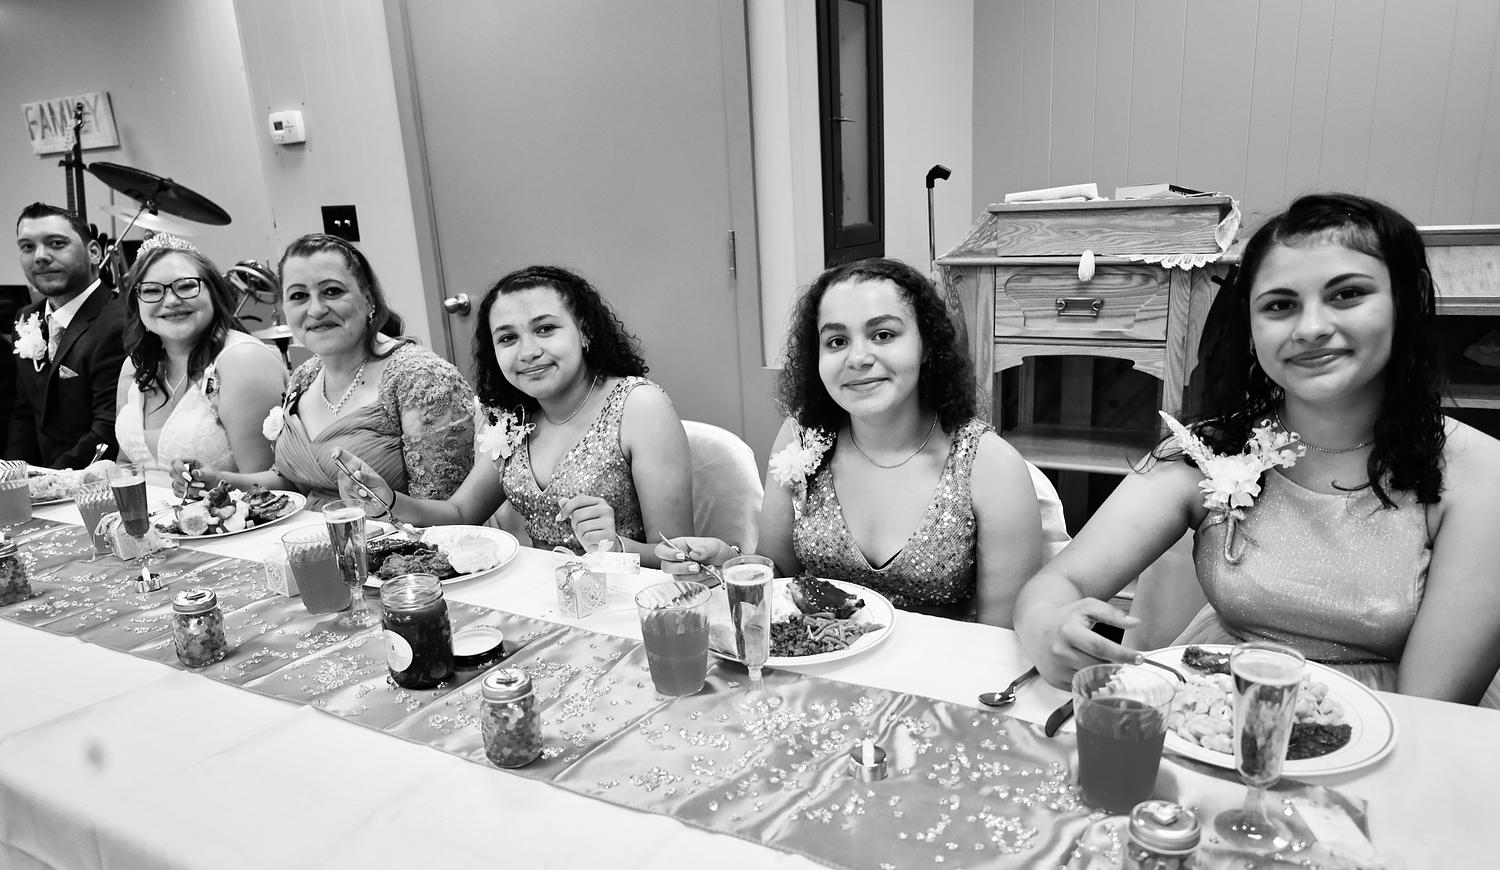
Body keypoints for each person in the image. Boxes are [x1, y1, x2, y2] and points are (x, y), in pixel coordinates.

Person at [1014, 193, 1500, 704]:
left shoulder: (1481, 475)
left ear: (1406, 299)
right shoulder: (1207, 450)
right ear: (1250, 325)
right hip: (1214, 706)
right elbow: (1057, 585)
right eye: (1280, 305)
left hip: (1386, 723)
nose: (1311, 329)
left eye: (1347, 294)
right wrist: (1047, 624)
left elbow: (1428, 710)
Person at [657, 258, 1044, 627]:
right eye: (837, 341)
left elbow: (1001, 637)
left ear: (927, 345)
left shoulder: (988, 464)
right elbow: (781, 576)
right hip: (820, 660)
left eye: (883, 335)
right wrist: (728, 563)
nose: (857, 358)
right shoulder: (800, 438)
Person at [335, 264, 692, 567]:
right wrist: (388, 499)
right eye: (508, 338)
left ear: (585, 332)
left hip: (626, 601)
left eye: (545, 329)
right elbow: (460, 514)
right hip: (540, 596)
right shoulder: (513, 417)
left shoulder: (639, 406)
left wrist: (614, 547)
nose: (528, 352)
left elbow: (681, 556)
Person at [180, 234, 474, 504]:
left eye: (332, 291)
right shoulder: (305, 376)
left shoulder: (420, 379)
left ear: (368, 298)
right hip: (310, 538)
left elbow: (443, 513)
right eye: (298, 296)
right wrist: (221, 481)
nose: (316, 309)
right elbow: (293, 483)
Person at [114, 233, 286, 487]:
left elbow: (278, 487)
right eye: (151, 290)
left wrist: (215, 483)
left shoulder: (242, 361)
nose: (171, 301)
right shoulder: (136, 365)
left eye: (185, 286)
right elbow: (125, 465)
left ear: (213, 292)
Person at [7, 202, 128, 468]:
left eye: (57, 243)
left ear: (94, 252)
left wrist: (47, 482)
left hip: (95, 478)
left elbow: (108, 429)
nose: (40, 256)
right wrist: (12, 477)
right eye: (27, 247)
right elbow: (24, 414)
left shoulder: (119, 323)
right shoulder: (26, 318)